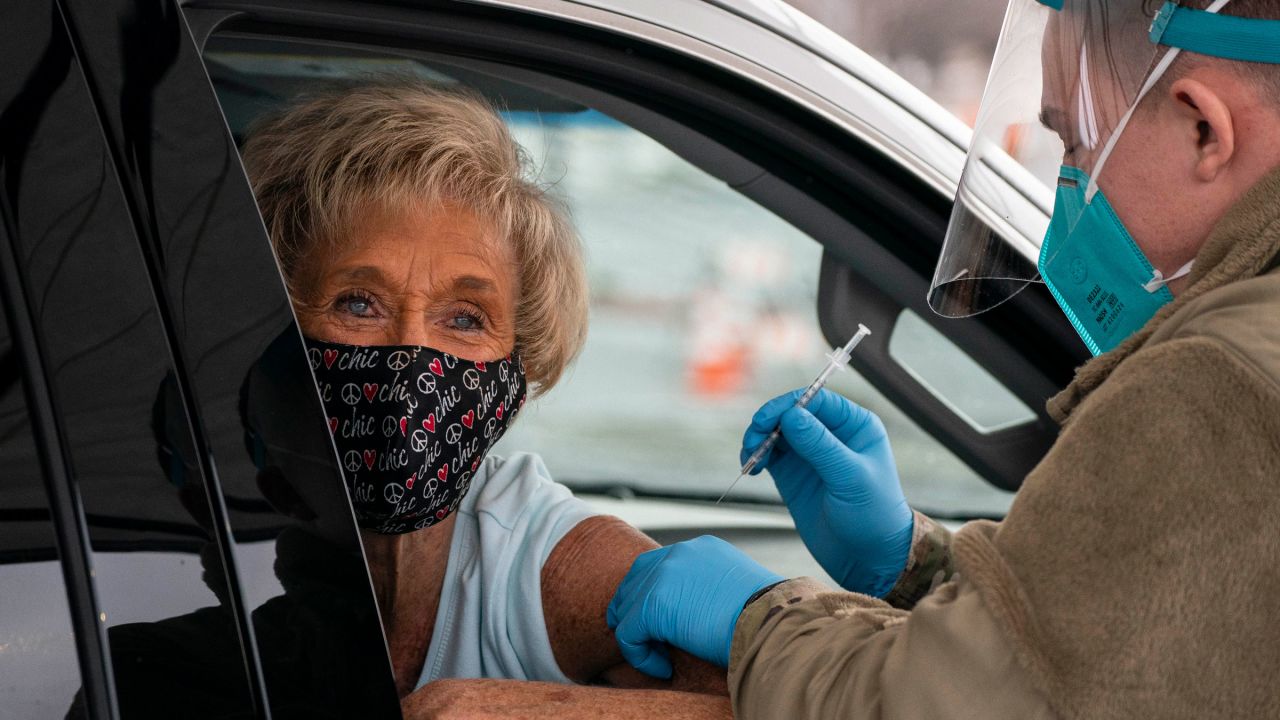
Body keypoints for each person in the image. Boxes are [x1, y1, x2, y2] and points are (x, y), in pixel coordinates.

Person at [607, 1, 1280, 717]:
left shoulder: (1215, 383)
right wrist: (912, 560)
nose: (1069, 194)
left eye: (1076, 147)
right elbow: (1124, 651)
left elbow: (942, 707)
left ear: (1203, 128)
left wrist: (755, 618)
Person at [240, 79, 732, 717]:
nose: (409, 360)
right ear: (272, 325)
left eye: (466, 319)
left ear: (517, 364)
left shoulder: (538, 564)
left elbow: (812, 699)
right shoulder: (209, 517)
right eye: (358, 303)